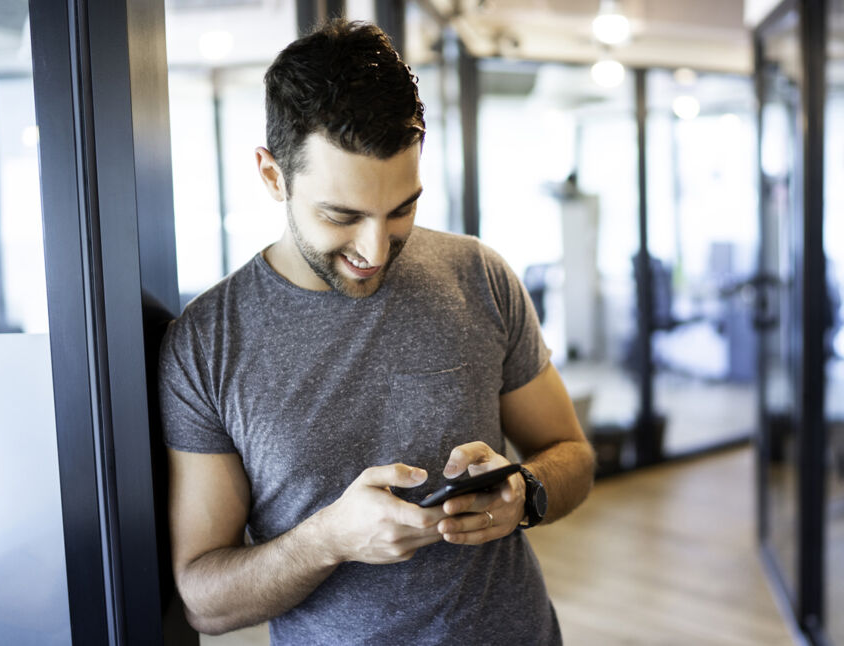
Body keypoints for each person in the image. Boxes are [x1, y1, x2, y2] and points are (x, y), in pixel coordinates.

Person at [159, 19, 595, 645]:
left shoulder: (478, 274)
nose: (376, 250)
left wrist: (524, 493)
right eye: (342, 215)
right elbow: (206, 602)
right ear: (273, 176)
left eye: (401, 209)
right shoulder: (206, 345)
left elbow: (572, 454)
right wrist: (328, 540)